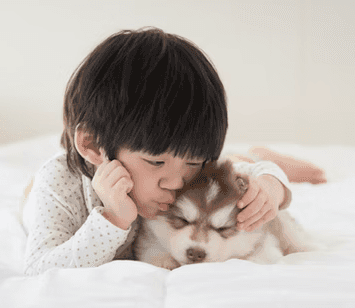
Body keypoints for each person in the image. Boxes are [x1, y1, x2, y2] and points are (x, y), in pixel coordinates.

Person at [22, 27, 325, 275]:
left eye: (194, 160)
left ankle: (260, 153)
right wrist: (113, 219)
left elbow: (238, 173)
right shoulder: (60, 183)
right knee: (30, 190)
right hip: (45, 190)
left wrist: (273, 188)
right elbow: (39, 268)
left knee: (239, 162)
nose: (177, 182)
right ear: (93, 145)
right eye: (155, 161)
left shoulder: (178, 171)